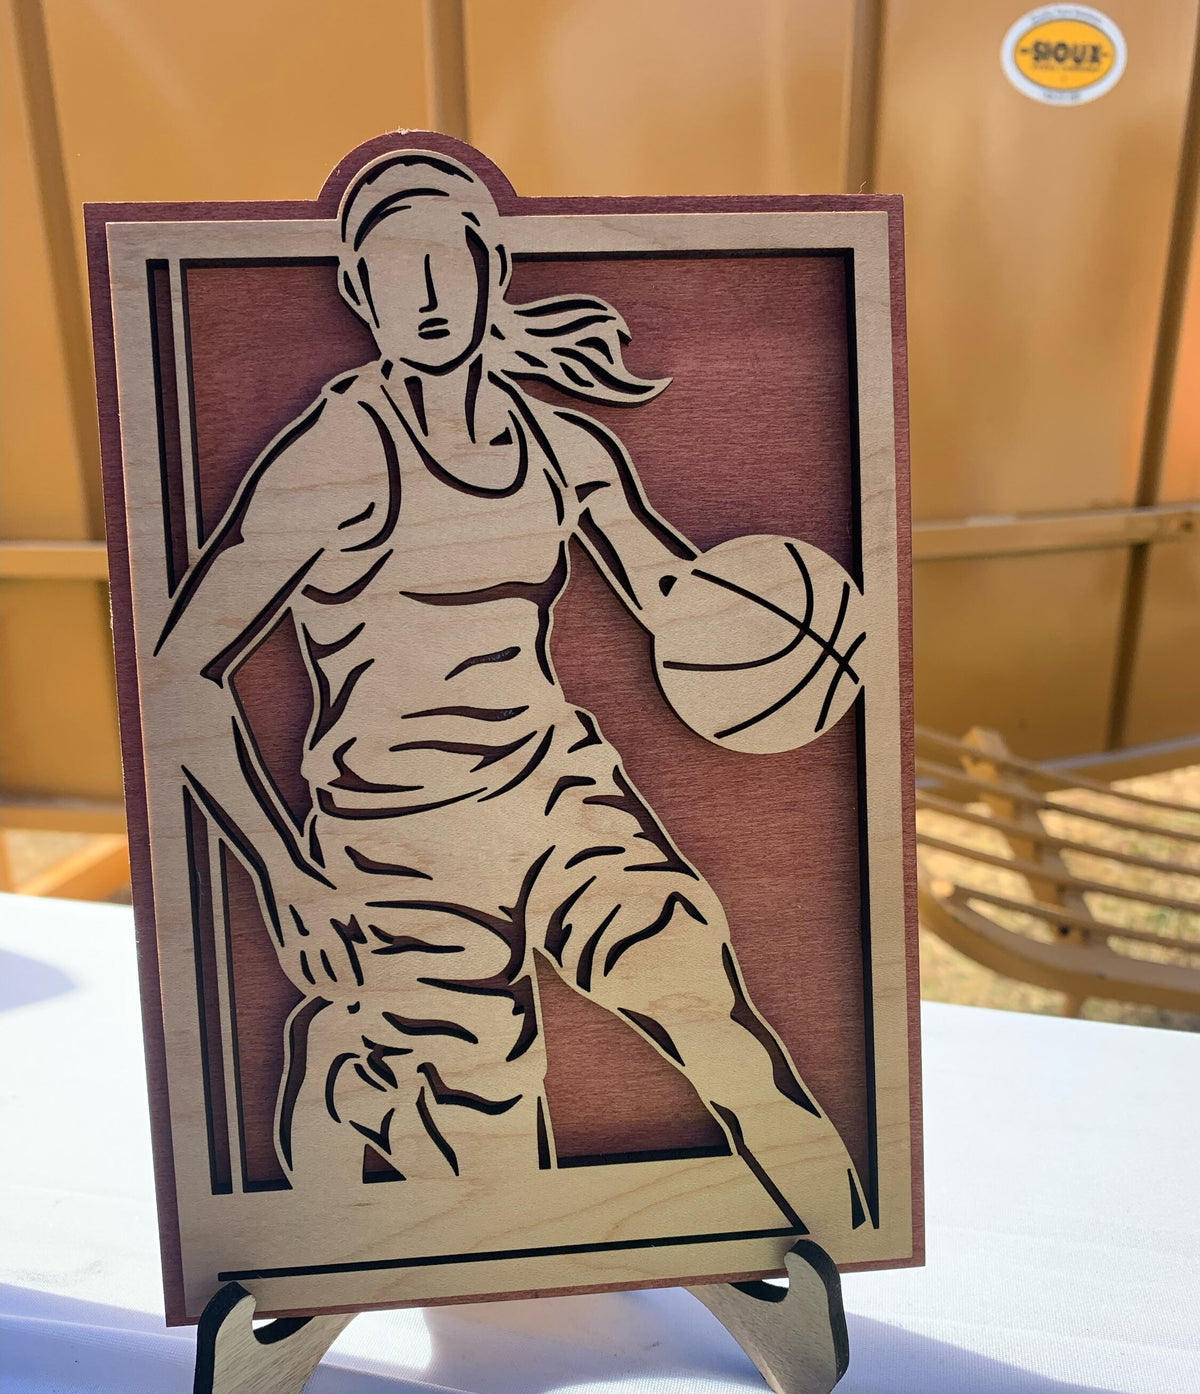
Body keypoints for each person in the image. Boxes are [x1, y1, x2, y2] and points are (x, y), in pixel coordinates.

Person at [157, 149, 867, 1249]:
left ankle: (849, 1246)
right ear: (357, 292)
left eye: (448, 261)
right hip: (395, 834)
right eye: (396, 270)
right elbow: (178, 674)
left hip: (554, 789)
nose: (427, 293)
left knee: (706, 1007)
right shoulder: (334, 460)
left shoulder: (563, 446)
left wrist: (806, 634)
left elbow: (672, 597)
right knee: (503, 1179)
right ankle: (360, 1076)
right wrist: (286, 875)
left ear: (492, 268)